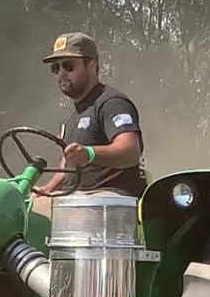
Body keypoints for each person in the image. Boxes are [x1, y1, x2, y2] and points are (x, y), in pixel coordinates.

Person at [32, 32, 149, 216]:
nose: (61, 73)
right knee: (22, 207)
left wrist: (90, 153)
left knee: (32, 217)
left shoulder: (111, 103)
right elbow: (67, 167)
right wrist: (46, 190)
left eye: (68, 65)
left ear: (92, 65)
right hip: (73, 199)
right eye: (56, 68)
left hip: (106, 201)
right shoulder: (70, 119)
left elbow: (130, 152)